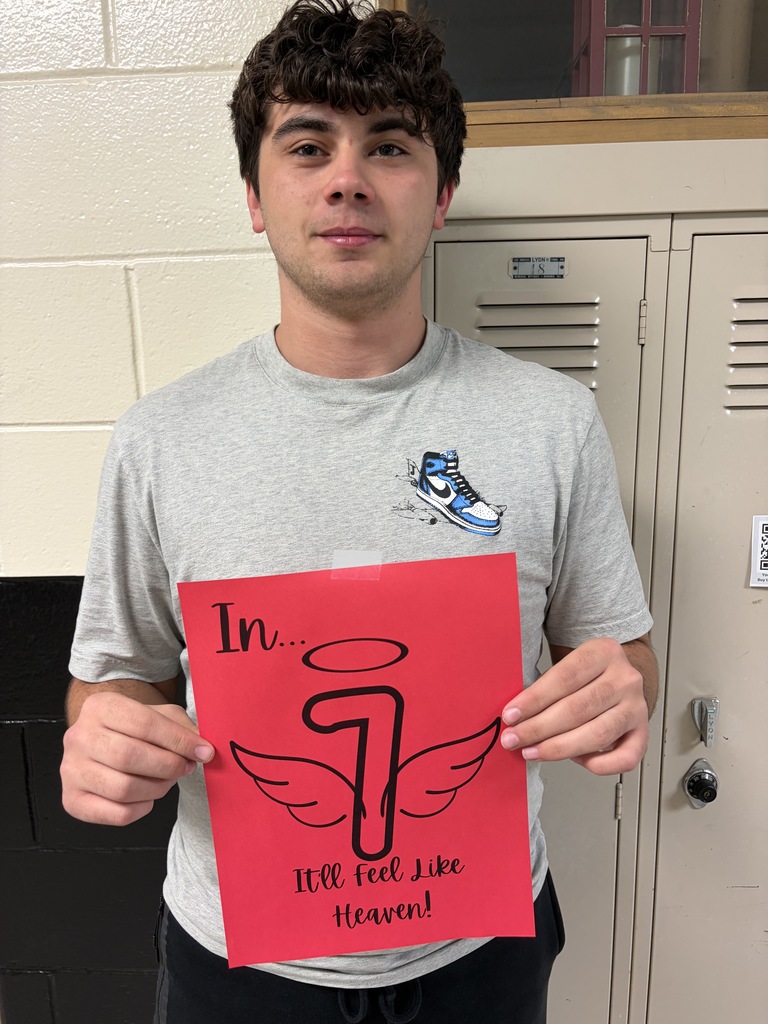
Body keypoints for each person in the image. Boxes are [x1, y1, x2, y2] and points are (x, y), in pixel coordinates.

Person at [61, 2, 657, 1022]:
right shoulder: (161, 439)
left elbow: (626, 658)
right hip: (237, 961)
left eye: (388, 144)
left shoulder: (551, 421)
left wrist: (619, 692)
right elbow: (113, 683)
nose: (347, 177)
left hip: (482, 948)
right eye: (307, 145)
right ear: (255, 195)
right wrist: (105, 737)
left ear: (443, 194)